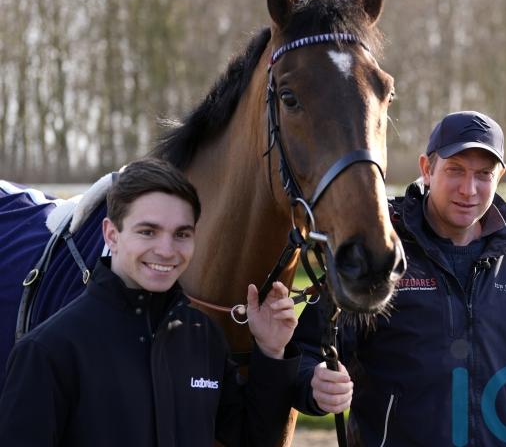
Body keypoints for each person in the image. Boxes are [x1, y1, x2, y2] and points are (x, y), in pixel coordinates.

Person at [292, 111, 506, 445]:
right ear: (426, 169)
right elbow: (304, 351)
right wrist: (313, 383)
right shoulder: (380, 253)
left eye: (483, 174)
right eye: (455, 170)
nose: (469, 189)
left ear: (500, 176)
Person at [0, 157, 300, 446]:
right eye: (148, 232)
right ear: (112, 235)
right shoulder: (48, 351)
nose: (167, 250)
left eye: (181, 234)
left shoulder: (203, 338)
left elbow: (253, 437)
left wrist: (271, 352)